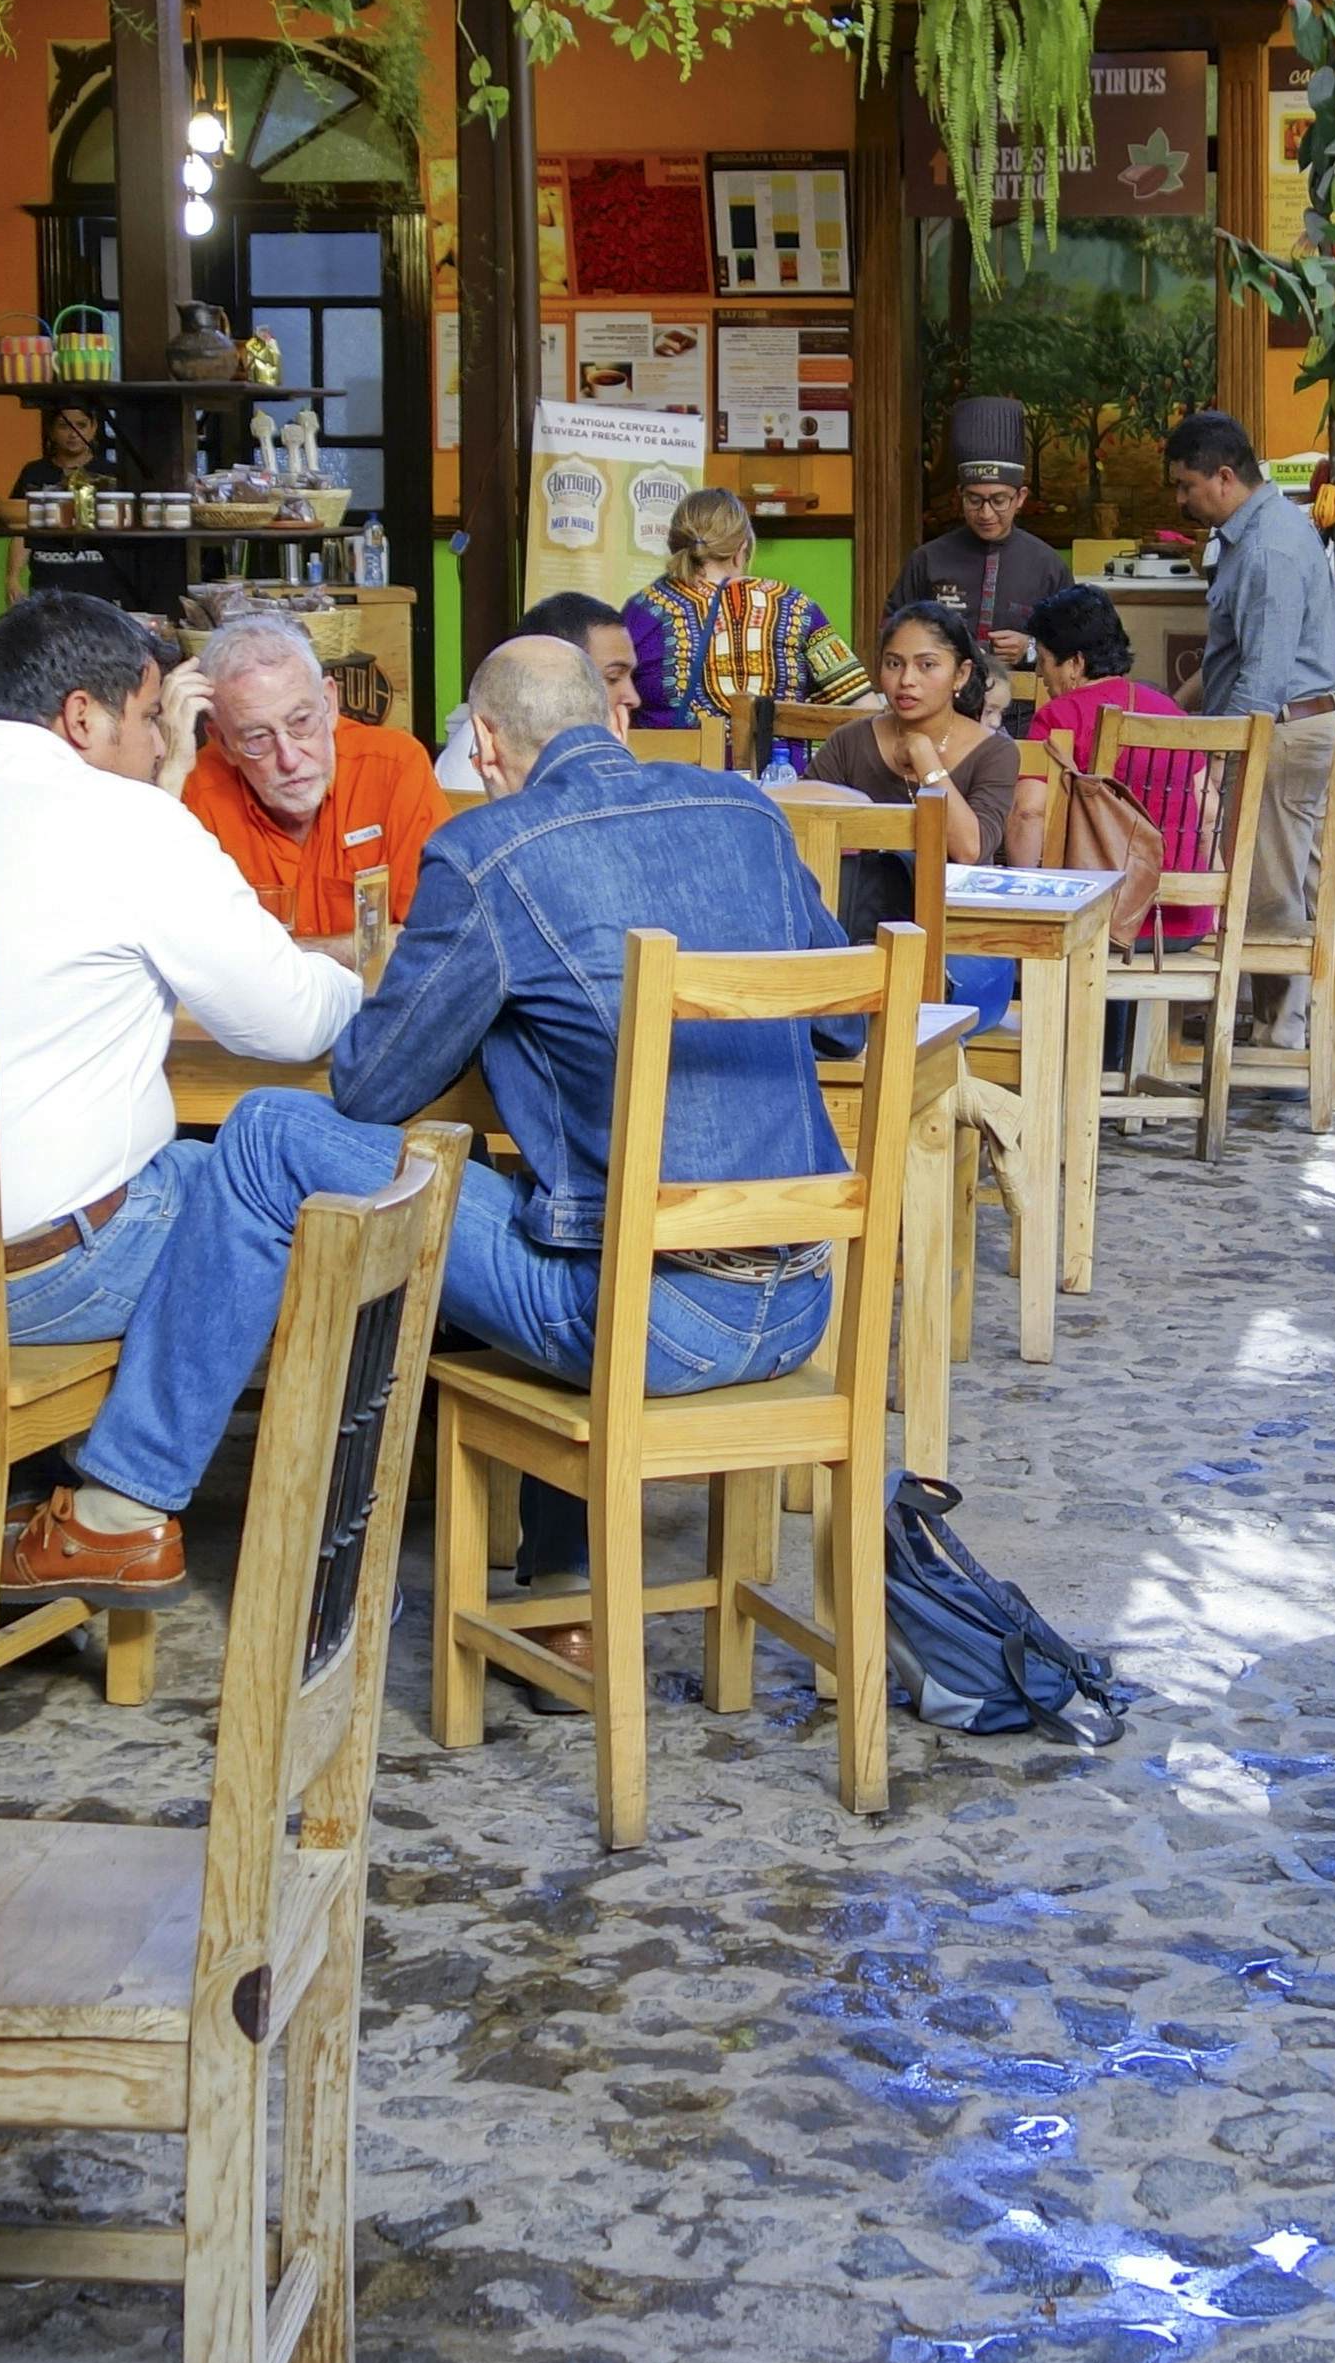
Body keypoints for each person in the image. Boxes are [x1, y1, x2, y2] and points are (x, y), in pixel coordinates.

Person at [153, 633, 857, 1614]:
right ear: (614, 717)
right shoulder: (746, 812)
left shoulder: (490, 852)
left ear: (483, 742)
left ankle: (131, 1504)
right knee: (556, 1194)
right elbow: (841, 1022)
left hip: (641, 1325)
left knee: (273, 1131)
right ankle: (560, 1578)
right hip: (798, 1305)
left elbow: (370, 1089)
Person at [0, 591, 363, 1602]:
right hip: (19, 1280)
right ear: (84, 718)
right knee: (260, 1167)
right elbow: (293, 1022)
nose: (156, 747)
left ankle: (22, 1483)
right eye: (148, 722)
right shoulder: (124, 823)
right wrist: (363, 966)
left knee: (133, 1172)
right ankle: (122, 1509)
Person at [1162, 406, 1335, 1078]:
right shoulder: (1268, 530)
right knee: (1320, 890)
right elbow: (1234, 655)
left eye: (1185, 486)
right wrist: (1177, 709)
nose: (1181, 500)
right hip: (1300, 726)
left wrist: (1233, 754)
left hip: (1283, 732)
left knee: (1272, 893)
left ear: (1224, 477)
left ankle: (1279, 1044)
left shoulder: (1265, 548)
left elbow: (1262, 674)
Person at [802, 596, 1049, 1018]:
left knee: (928, 1005)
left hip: (958, 940)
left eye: (926, 665)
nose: (906, 681)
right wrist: (854, 806)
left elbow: (970, 848)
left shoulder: (995, 752)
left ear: (961, 674)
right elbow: (801, 814)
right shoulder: (851, 741)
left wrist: (925, 757)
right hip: (860, 933)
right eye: (894, 664)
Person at [177, 613, 451, 938]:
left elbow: (432, 940)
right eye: (257, 738)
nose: (289, 759)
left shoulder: (393, 766)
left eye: (302, 722)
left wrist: (288, 956)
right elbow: (187, 951)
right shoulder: (194, 788)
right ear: (223, 741)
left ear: (329, 703)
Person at [1022, 580, 1208, 930]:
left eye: (1044, 661)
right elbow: (1209, 813)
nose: (1039, 673)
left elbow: (1029, 813)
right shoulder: (1170, 711)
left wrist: (1027, 899)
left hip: (1100, 923)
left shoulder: (1059, 716)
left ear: (1075, 663)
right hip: (1185, 924)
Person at [625, 486, 869, 739]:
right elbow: (864, 708)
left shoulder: (644, 610)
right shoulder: (796, 607)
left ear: (673, 543)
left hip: (672, 776)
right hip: (783, 777)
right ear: (742, 548)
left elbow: (604, 703)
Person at [893, 396, 1068, 671]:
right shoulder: (927, 559)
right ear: (959, 495)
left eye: (999, 500)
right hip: (942, 707)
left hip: (1021, 712)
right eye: (974, 500)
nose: (986, 514)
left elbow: (1074, 650)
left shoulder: (1047, 566)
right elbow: (892, 632)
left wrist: (1030, 648)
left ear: (1020, 497)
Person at [433, 592, 636, 794]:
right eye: (613, 678)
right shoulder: (499, 758)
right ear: (548, 671)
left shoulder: (531, 739)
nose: (634, 698)